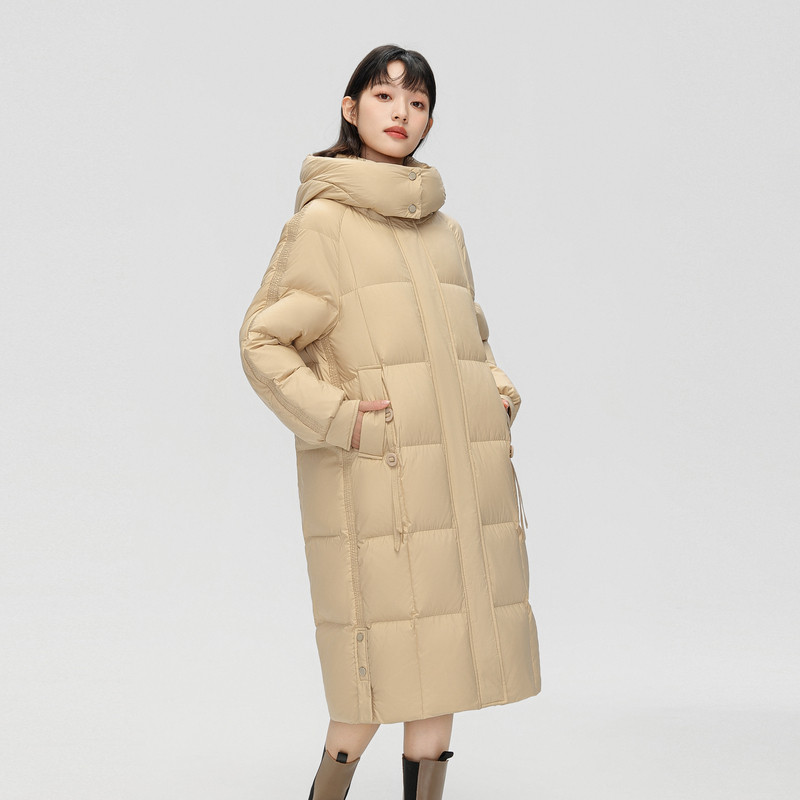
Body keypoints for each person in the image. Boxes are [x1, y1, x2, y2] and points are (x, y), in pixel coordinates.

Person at [239, 44, 542, 800]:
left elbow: (472, 335)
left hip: (460, 478)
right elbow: (264, 342)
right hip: (381, 484)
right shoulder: (323, 226)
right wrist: (342, 421)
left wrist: (498, 393)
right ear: (351, 109)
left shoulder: (445, 231)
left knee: (444, 664)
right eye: (384, 95)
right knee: (372, 682)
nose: (401, 112)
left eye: (418, 101)